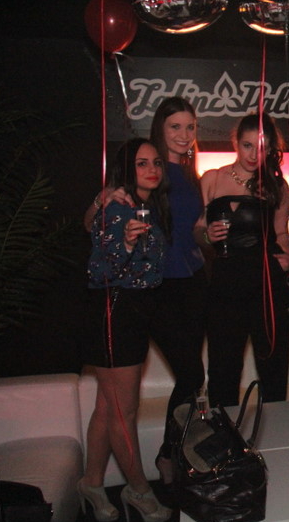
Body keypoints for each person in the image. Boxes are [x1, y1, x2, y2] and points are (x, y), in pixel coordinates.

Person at [84, 96, 207, 484]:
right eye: (175, 127)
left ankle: (102, 479)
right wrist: (102, 199)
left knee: (191, 376)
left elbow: (189, 230)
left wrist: (209, 232)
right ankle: (167, 456)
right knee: (191, 372)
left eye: (190, 127)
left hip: (193, 280)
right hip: (157, 286)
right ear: (160, 128)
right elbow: (92, 224)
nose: (184, 134)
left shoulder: (188, 174)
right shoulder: (148, 170)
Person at [79, 138, 172, 522]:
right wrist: (127, 244)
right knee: (123, 411)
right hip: (114, 311)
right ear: (126, 170)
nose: (152, 169)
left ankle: (91, 482)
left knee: (107, 406)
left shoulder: (143, 206)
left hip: (130, 311)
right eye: (141, 163)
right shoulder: (118, 208)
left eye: (156, 162)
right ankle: (139, 490)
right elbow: (100, 266)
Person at [195, 113, 289, 406]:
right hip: (225, 281)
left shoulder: (277, 186)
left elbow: (281, 234)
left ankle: (275, 432)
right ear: (236, 143)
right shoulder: (212, 178)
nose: (254, 155)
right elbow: (198, 229)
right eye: (247, 145)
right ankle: (224, 432)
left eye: (262, 147)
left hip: (265, 280)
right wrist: (207, 236)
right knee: (223, 368)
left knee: (273, 367)